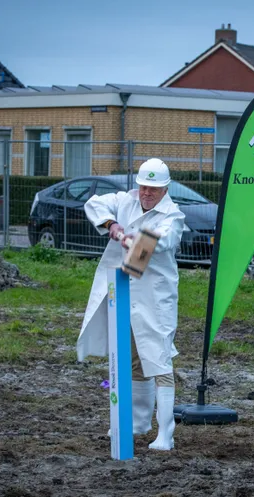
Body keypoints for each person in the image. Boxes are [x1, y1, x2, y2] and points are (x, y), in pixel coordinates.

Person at [76, 158, 185, 451]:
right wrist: (112, 224)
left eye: (154, 189)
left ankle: (166, 434)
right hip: (122, 291)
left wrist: (136, 239)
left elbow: (163, 240)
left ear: (165, 189)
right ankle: (137, 424)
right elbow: (95, 203)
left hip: (154, 297)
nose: (147, 193)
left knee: (158, 359)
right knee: (131, 356)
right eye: (143, 187)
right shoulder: (126, 200)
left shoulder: (173, 215)